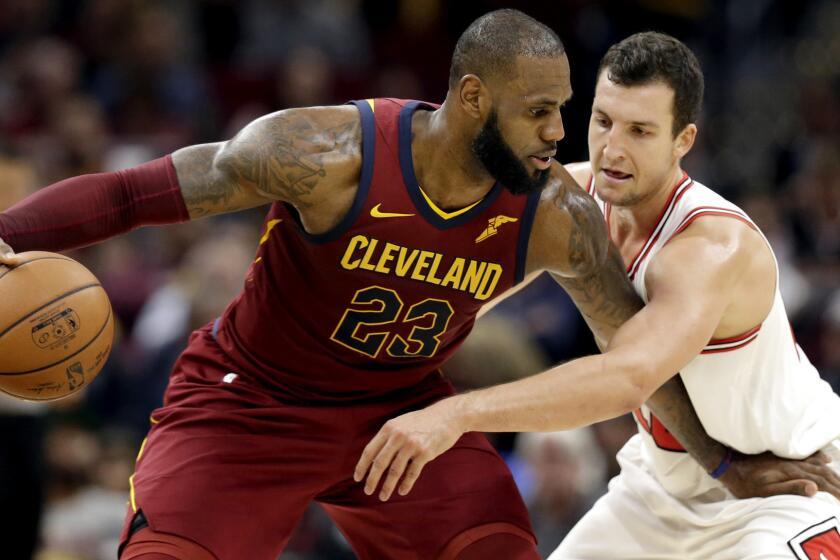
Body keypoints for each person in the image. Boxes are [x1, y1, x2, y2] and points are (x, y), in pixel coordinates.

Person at [0, 11, 834, 560]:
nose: (560, 135)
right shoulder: (327, 153)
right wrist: (5, 235)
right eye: (544, 112)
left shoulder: (557, 212)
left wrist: (724, 464)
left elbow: (632, 362)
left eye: (564, 111)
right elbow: (131, 193)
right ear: (473, 100)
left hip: (399, 415)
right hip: (250, 403)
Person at [354, 31, 840, 559]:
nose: (613, 148)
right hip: (662, 485)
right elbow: (463, 285)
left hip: (786, 485)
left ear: (683, 141)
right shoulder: (574, 199)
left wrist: (454, 413)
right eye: (604, 121)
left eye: (640, 131)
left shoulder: (710, 247)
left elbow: (627, 378)